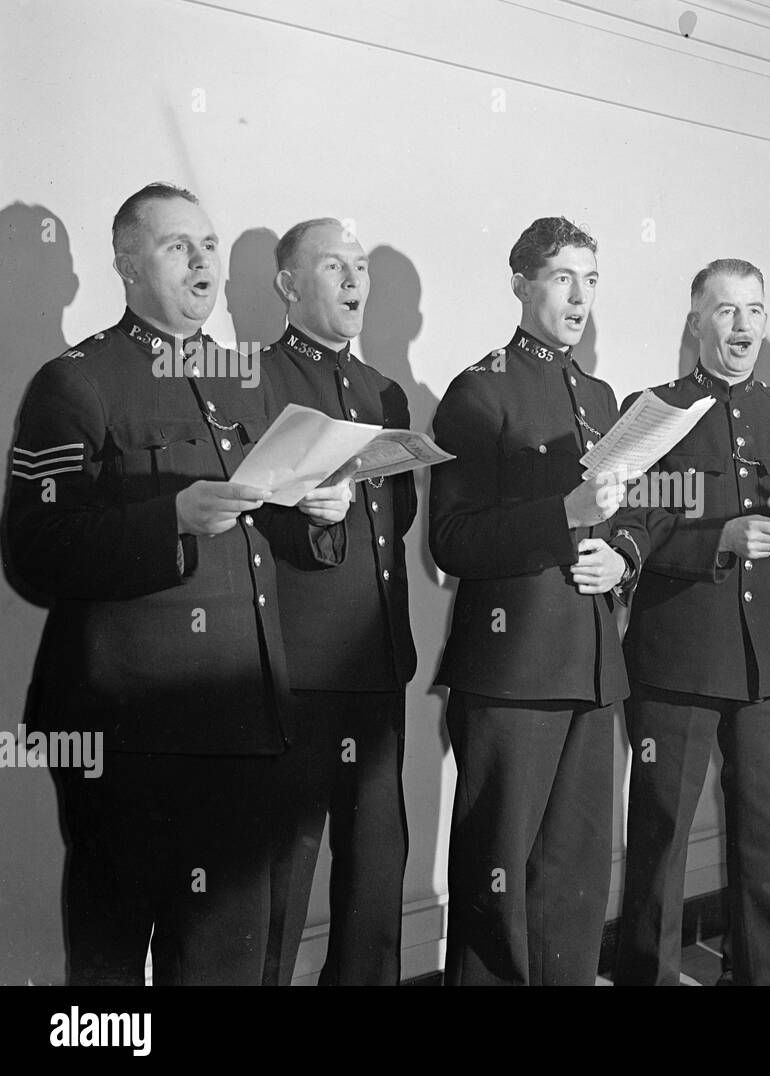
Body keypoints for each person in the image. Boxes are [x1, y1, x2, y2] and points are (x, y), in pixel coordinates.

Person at [5, 182, 351, 985]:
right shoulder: (75, 382)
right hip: (127, 735)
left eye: (208, 245)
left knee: (224, 959)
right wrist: (171, 521)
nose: (203, 262)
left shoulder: (244, 379)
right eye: (176, 247)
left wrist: (320, 511)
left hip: (240, 722)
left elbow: (270, 525)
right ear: (126, 266)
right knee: (113, 959)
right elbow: (33, 550)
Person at [428, 216, 646, 985]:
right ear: (521, 284)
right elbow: (450, 541)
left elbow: (617, 517)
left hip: (590, 666)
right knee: (499, 877)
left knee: (576, 878)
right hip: (511, 673)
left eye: (591, 278)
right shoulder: (478, 391)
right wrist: (565, 518)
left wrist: (618, 558)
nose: (580, 294)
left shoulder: (600, 392)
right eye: (562, 277)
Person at [613, 258, 770, 986]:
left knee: (768, 840)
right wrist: (720, 539)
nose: (742, 327)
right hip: (676, 660)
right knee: (660, 836)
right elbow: (627, 530)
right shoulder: (654, 408)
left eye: (754, 311)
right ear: (696, 320)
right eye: (726, 311)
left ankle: (765, 978)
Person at [258, 218, 417, 986]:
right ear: (288, 284)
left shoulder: (383, 392)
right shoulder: (255, 381)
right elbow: (239, 521)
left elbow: (399, 520)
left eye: (361, 266)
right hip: (298, 672)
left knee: (376, 871)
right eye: (335, 267)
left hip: (377, 664)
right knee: (278, 877)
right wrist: (299, 512)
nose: (356, 281)